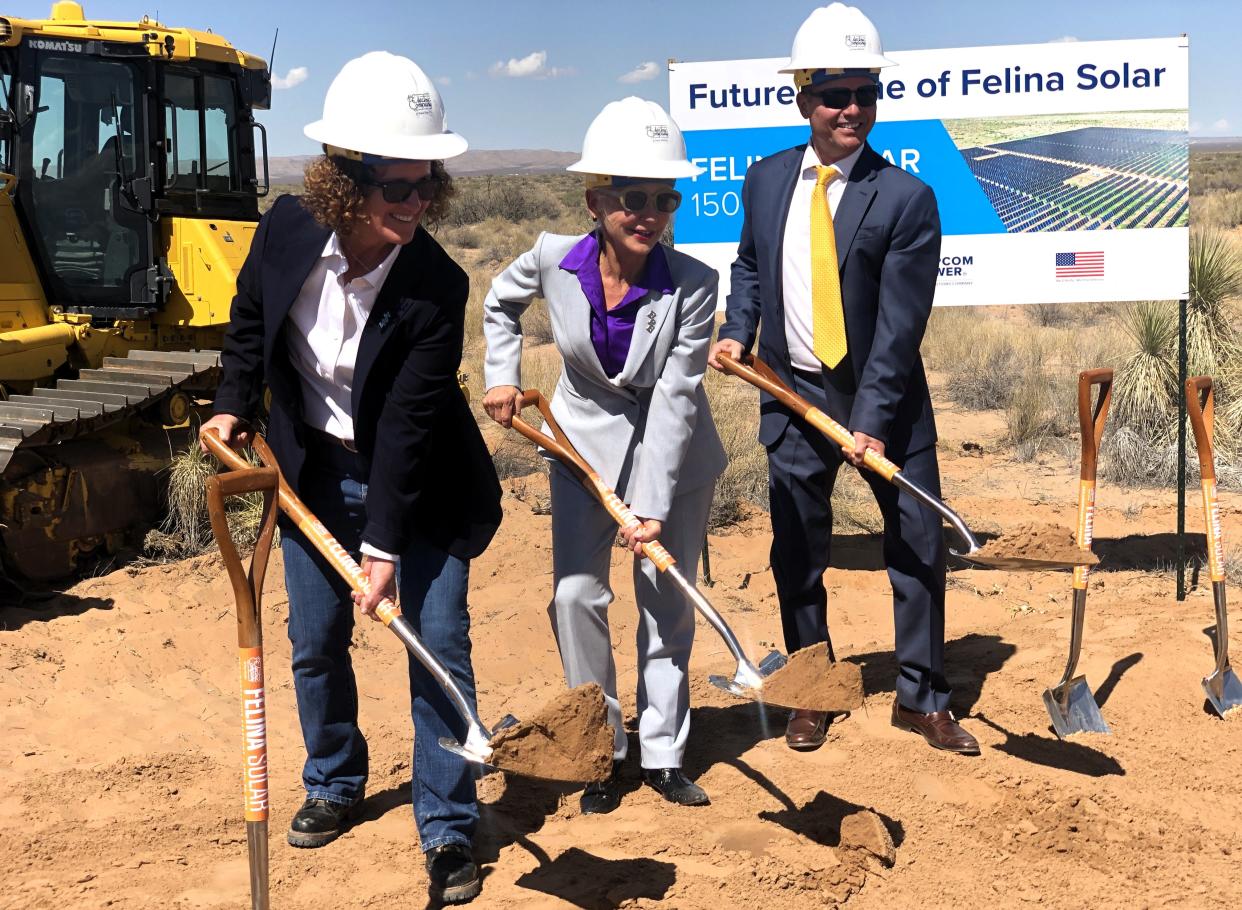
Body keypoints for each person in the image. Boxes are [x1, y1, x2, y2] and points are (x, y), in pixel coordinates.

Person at [201, 52, 501, 905]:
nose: (413, 204)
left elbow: (410, 427)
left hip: (423, 490)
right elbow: (250, 322)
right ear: (341, 180)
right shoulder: (287, 228)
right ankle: (334, 780)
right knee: (314, 641)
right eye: (394, 188)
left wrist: (383, 549)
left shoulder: (437, 284)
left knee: (437, 645)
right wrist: (231, 403)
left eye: (426, 187)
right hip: (313, 477)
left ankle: (447, 827)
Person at [708, 2, 979, 756]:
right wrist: (737, 332)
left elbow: (900, 327)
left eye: (865, 93)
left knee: (918, 541)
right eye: (834, 94)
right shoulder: (765, 181)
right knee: (797, 548)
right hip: (794, 396)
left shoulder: (906, 199)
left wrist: (874, 418)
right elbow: (751, 267)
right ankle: (812, 688)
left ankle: (922, 698)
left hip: (884, 403)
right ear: (804, 98)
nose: (851, 109)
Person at [482, 98, 726, 813]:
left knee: (665, 603)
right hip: (581, 448)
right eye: (631, 198)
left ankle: (663, 750)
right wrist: (501, 371)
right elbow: (499, 304)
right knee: (574, 596)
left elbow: (677, 398)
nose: (648, 213)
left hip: (672, 461)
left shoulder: (695, 283)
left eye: (662, 198)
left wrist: (649, 506)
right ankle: (600, 747)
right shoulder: (554, 257)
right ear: (597, 200)